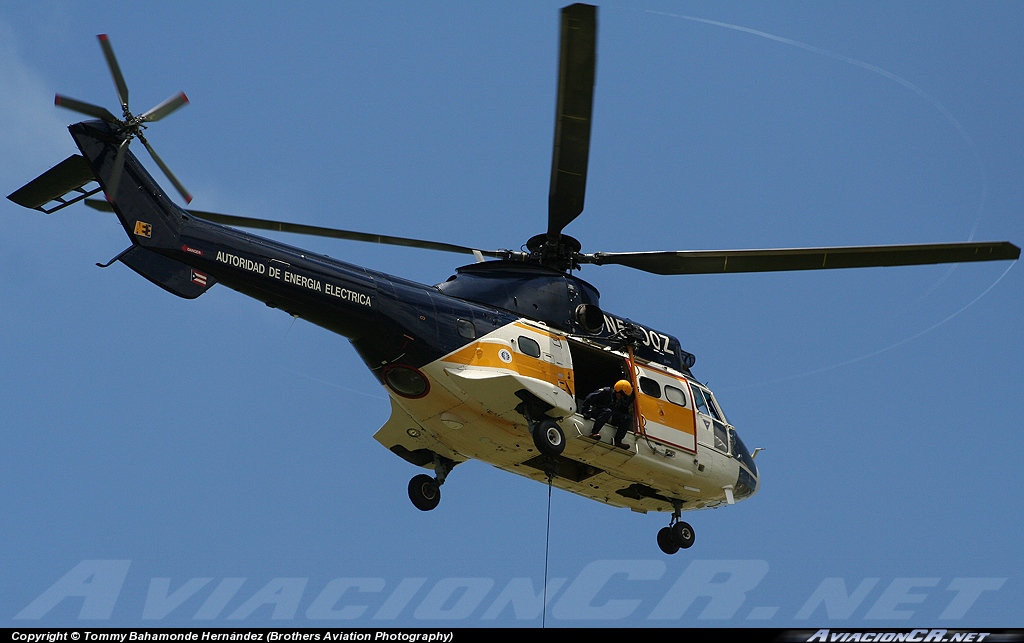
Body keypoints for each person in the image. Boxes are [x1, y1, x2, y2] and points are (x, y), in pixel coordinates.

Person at [581, 379, 635, 449]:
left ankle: (618, 441)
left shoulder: (619, 400)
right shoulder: (606, 391)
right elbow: (590, 398)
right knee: (607, 411)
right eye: (622, 394)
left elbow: (624, 407)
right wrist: (585, 411)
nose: (622, 397)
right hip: (598, 412)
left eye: (624, 396)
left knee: (627, 419)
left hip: (609, 415)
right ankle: (594, 433)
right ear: (617, 389)